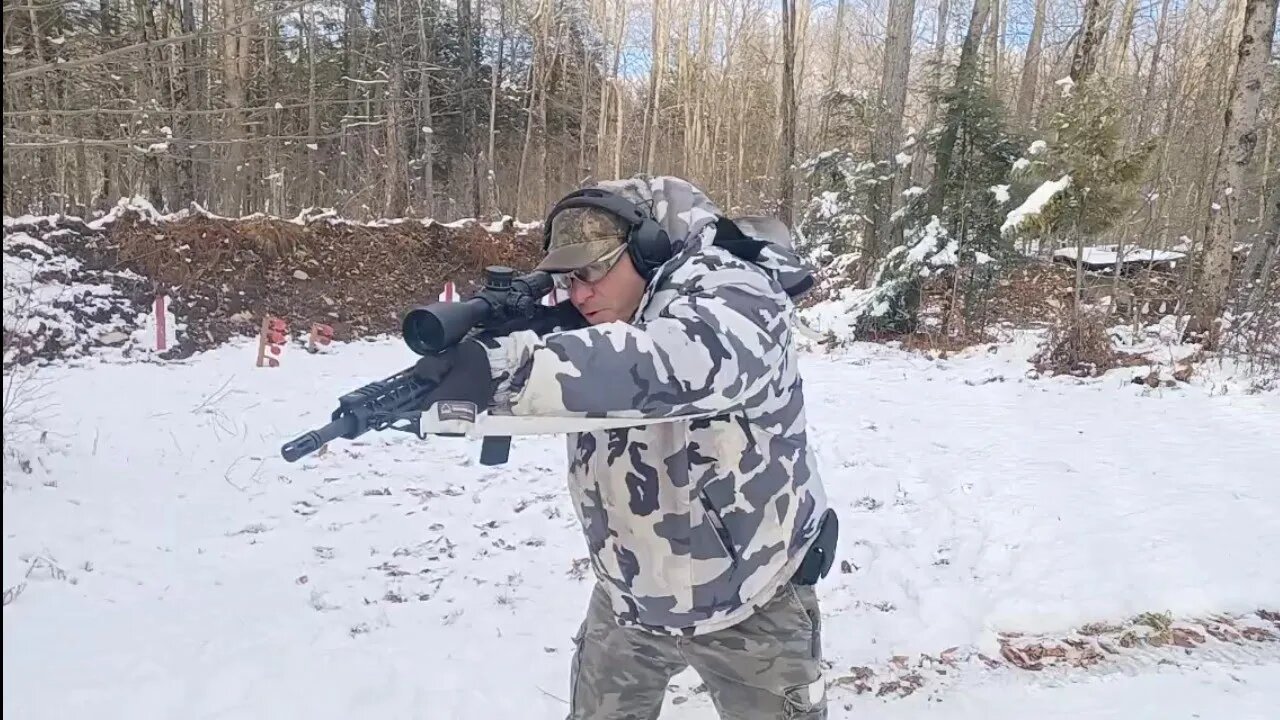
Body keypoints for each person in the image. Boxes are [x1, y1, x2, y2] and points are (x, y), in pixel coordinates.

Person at [413, 175, 836, 719]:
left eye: (592, 271)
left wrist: (510, 367)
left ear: (648, 248)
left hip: (752, 598)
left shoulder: (737, 288)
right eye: (568, 279)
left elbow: (673, 362)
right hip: (630, 598)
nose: (579, 293)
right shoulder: (596, 311)